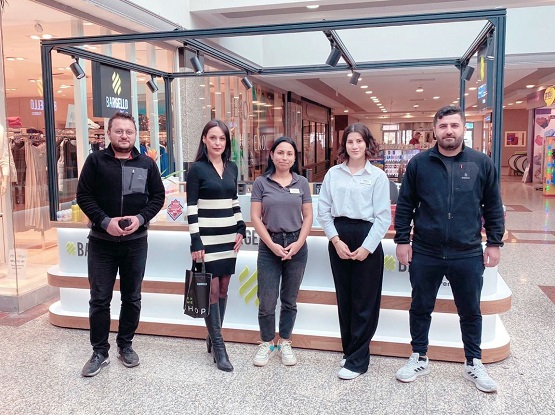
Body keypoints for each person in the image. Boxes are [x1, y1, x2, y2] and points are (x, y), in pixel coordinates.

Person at [393, 106, 505, 393]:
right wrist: (402, 240)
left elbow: (493, 206)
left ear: (463, 128)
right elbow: (405, 205)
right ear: (435, 130)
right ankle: (419, 356)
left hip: (467, 251)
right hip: (426, 250)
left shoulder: (481, 163)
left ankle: (473, 362)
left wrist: (494, 242)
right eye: (443, 126)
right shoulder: (419, 164)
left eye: (454, 125)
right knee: (420, 306)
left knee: (470, 310)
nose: (449, 131)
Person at [76, 111, 165, 377]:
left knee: (132, 297)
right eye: (119, 131)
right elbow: (84, 195)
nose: (124, 136)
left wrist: (140, 219)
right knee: (99, 299)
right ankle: (99, 352)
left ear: (135, 135)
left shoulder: (147, 164)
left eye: (129, 131)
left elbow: (158, 197)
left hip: (135, 243)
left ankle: (125, 345)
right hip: (101, 243)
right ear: (109, 134)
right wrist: (104, 222)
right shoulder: (95, 161)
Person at [317, 123, 391, 380]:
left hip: (366, 236)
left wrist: (367, 248)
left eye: (359, 141)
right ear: (344, 145)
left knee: (364, 301)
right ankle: (349, 350)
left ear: (367, 144)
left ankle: (359, 360)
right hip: (339, 236)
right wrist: (335, 241)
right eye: (350, 141)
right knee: (345, 298)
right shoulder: (333, 174)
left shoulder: (377, 176)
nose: (355, 145)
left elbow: (383, 217)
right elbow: (323, 211)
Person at [186, 119, 246, 372]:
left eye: (222, 138)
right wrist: (195, 240)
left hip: (228, 237)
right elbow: (191, 208)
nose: (217, 142)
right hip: (207, 240)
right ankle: (220, 347)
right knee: (210, 291)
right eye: (213, 137)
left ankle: (213, 335)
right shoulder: (196, 170)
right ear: (204, 139)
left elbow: (234, 201)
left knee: (223, 289)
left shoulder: (232, 167)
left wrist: (241, 226)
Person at [250, 137, 312, 367]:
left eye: (289, 153)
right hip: (270, 245)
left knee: (289, 299)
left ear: (294, 158)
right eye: (280, 152)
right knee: (266, 300)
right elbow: (255, 216)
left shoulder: (301, 182)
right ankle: (267, 342)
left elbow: (308, 216)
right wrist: (271, 244)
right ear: (272, 155)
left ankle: (285, 341)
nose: (284, 157)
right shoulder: (261, 183)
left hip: (297, 245)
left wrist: (299, 243)